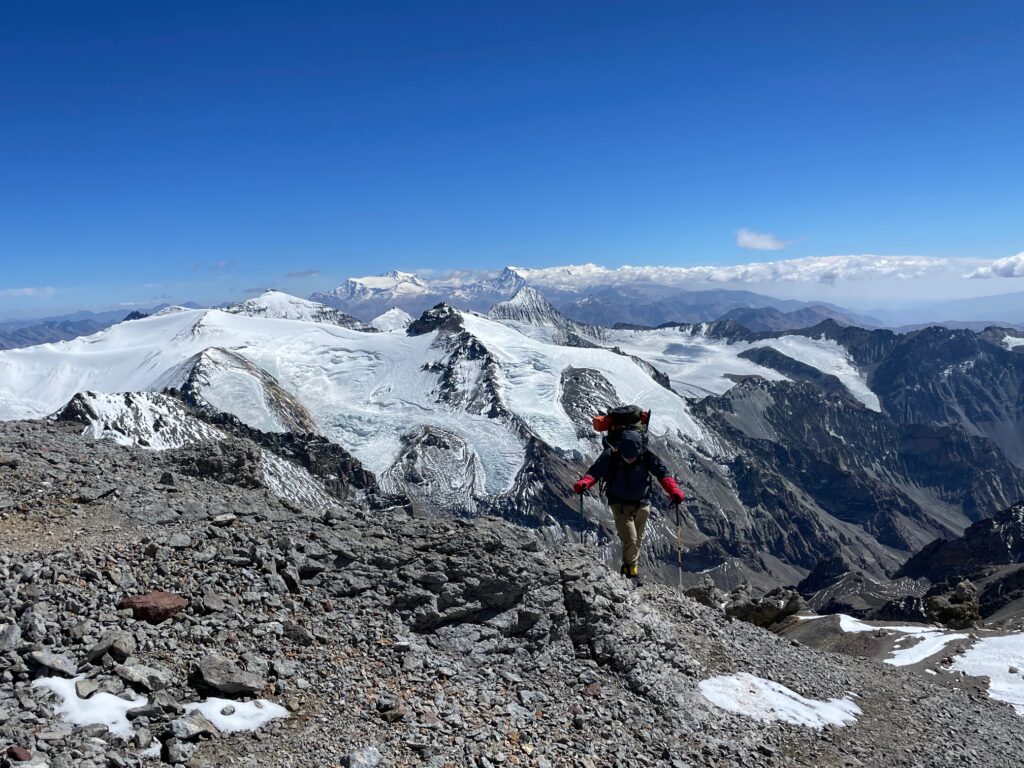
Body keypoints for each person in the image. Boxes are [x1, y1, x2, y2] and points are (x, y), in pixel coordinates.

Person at [572, 430, 685, 578]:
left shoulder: (645, 455)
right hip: (619, 503)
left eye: (633, 456)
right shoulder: (611, 455)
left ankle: (629, 568)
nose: (631, 459)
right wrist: (585, 482)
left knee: (637, 538)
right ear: (620, 449)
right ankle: (630, 570)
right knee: (630, 538)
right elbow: (595, 471)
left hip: (642, 503)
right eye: (627, 456)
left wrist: (673, 490)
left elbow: (662, 472)